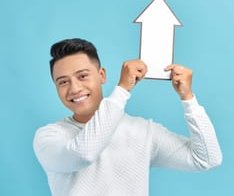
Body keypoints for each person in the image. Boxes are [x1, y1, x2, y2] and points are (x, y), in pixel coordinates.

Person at [33, 38, 222, 196]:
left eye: (82, 76)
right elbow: (85, 153)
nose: (74, 89)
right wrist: (122, 90)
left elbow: (206, 159)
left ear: (102, 75)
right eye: (63, 82)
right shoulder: (48, 137)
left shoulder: (144, 131)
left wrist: (188, 98)